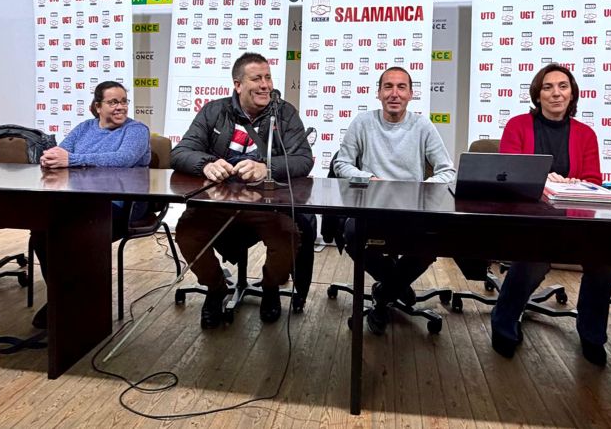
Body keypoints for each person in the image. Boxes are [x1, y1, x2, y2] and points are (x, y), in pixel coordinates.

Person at [171, 52, 314, 329]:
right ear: (238, 85)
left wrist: (266, 167)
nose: (265, 85)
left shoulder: (284, 113)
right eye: (256, 79)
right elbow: (180, 153)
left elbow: (304, 160)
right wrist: (207, 164)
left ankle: (271, 287)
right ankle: (215, 289)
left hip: (266, 204)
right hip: (216, 203)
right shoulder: (214, 111)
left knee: (288, 237)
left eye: (268, 78)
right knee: (187, 232)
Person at [491, 63, 611, 366]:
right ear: (538, 94)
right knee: (531, 260)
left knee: (606, 264)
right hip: (530, 218)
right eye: (547, 87)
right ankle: (504, 323)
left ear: (572, 93)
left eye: (562, 86)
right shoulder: (518, 125)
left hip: (575, 219)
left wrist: (576, 183)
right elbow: (510, 174)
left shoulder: (585, 133)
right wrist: (547, 180)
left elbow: (593, 181)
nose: (555, 93)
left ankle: (592, 335)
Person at [333, 66, 456, 335]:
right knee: (353, 232)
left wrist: (421, 190)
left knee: (431, 240)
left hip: (411, 208)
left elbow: (447, 171)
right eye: (388, 87)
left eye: (401, 87)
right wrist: (367, 178)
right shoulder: (363, 122)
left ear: (411, 94)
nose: (394, 93)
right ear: (378, 93)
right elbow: (341, 164)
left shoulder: (422, 125)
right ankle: (396, 285)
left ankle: (385, 293)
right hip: (371, 205)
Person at [29, 80, 151, 328]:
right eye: (113, 102)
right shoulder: (84, 128)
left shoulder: (136, 130)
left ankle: (71, 300)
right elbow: (60, 153)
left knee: (76, 232)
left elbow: (124, 159)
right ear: (97, 106)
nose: (120, 107)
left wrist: (72, 159)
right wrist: (51, 158)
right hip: (80, 200)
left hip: (121, 204)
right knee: (42, 232)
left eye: (124, 101)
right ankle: (62, 297)